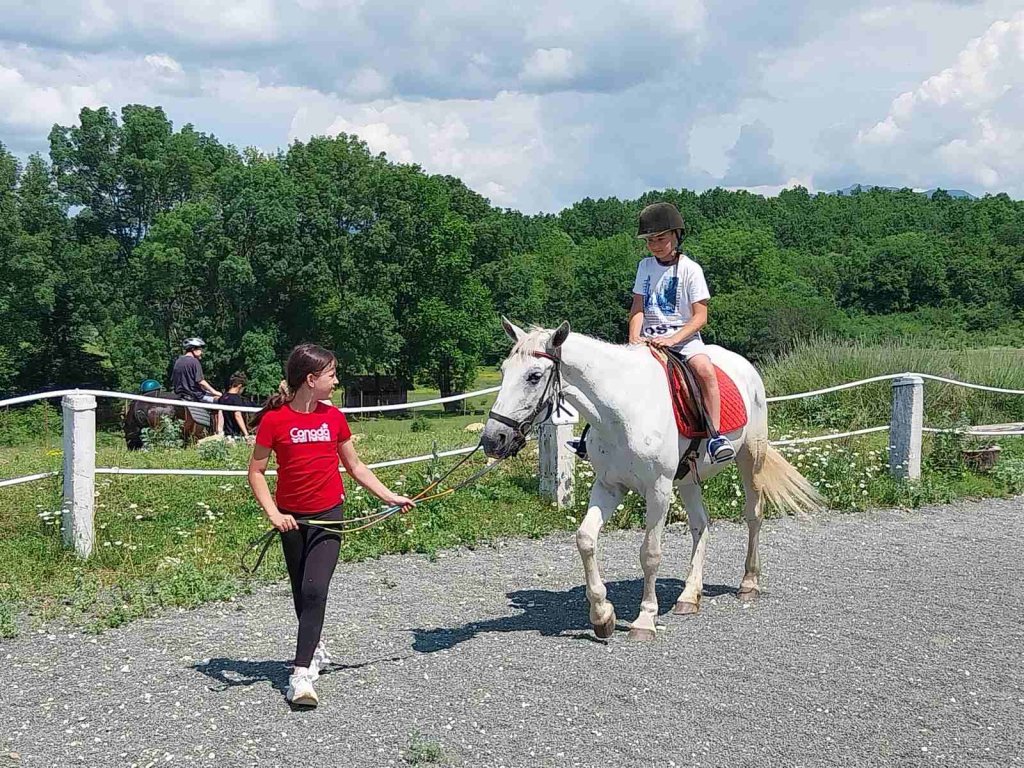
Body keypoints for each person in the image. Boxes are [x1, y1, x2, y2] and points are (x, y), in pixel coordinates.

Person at [247, 343, 415, 707]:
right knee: (300, 592)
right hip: (291, 519)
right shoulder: (276, 421)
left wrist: (389, 496)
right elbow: (256, 472)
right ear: (311, 379)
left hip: (328, 515)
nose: (336, 381)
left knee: (314, 589)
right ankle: (316, 646)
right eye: (331, 375)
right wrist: (274, 514)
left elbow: (356, 467)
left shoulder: (333, 417)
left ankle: (301, 674)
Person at [568, 202, 735, 464]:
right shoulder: (645, 267)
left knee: (705, 371)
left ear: (676, 236)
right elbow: (638, 306)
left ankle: (716, 436)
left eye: (661, 238)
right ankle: (590, 438)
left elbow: (700, 316)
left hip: (683, 340)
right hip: (648, 340)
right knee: (611, 378)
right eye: (650, 240)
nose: (655, 245)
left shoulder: (691, 269)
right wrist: (634, 338)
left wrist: (673, 339)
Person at [171, 337, 224, 436]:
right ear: (193, 349)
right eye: (200, 349)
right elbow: (201, 381)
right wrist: (215, 392)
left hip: (180, 394)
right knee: (221, 402)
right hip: (195, 395)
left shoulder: (178, 361)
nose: (201, 352)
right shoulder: (194, 362)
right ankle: (219, 432)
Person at [218, 372, 250, 440]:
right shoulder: (237, 399)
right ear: (240, 386)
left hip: (226, 435)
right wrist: (246, 433)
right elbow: (237, 415)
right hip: (235, 435)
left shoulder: (222, 397)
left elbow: (220, 415)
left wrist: (219, 431)